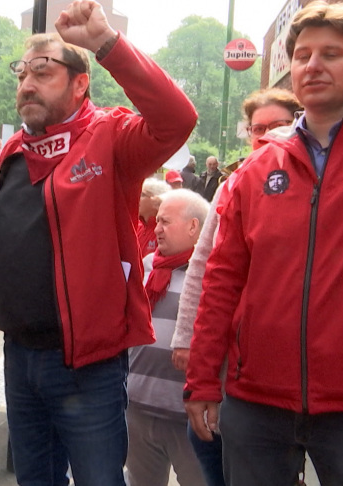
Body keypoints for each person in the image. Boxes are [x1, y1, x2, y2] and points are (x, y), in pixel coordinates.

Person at [185, 0, 343, 485]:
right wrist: (202, 378)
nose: (312, 65)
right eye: (302, 55)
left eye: (331, 53)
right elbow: (222, 280)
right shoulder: (255, 170)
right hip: (256, 401)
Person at [0, 0, 197, 486]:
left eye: (42, 72)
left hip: (88, 367)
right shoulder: (13, 151)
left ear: (80, 83)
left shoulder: (110, 135)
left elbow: (177, 119)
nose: (26, 83)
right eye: (22, 73)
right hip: (20, 358)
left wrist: (108, 45)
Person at [170, 87, 300, 486]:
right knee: (208, 435)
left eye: (276, 125)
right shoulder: (234, 184)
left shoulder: (317, 179)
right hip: (234, 340)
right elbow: (204, 264)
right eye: (256, 128)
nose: (263, 136)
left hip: (290, 351)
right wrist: (185, 335)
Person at [126, 189, 209, 486]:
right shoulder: (146, 265)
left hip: (190, 416)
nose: (156, 228)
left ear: (193, 227)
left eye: (165, 222)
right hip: (137, 408)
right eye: (157, 220)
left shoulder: (213, 275)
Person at [136, 177, 169, 257]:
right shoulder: (137, 227)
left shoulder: (165, 231)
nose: (137, 198)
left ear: (157, 200)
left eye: (142, 195)